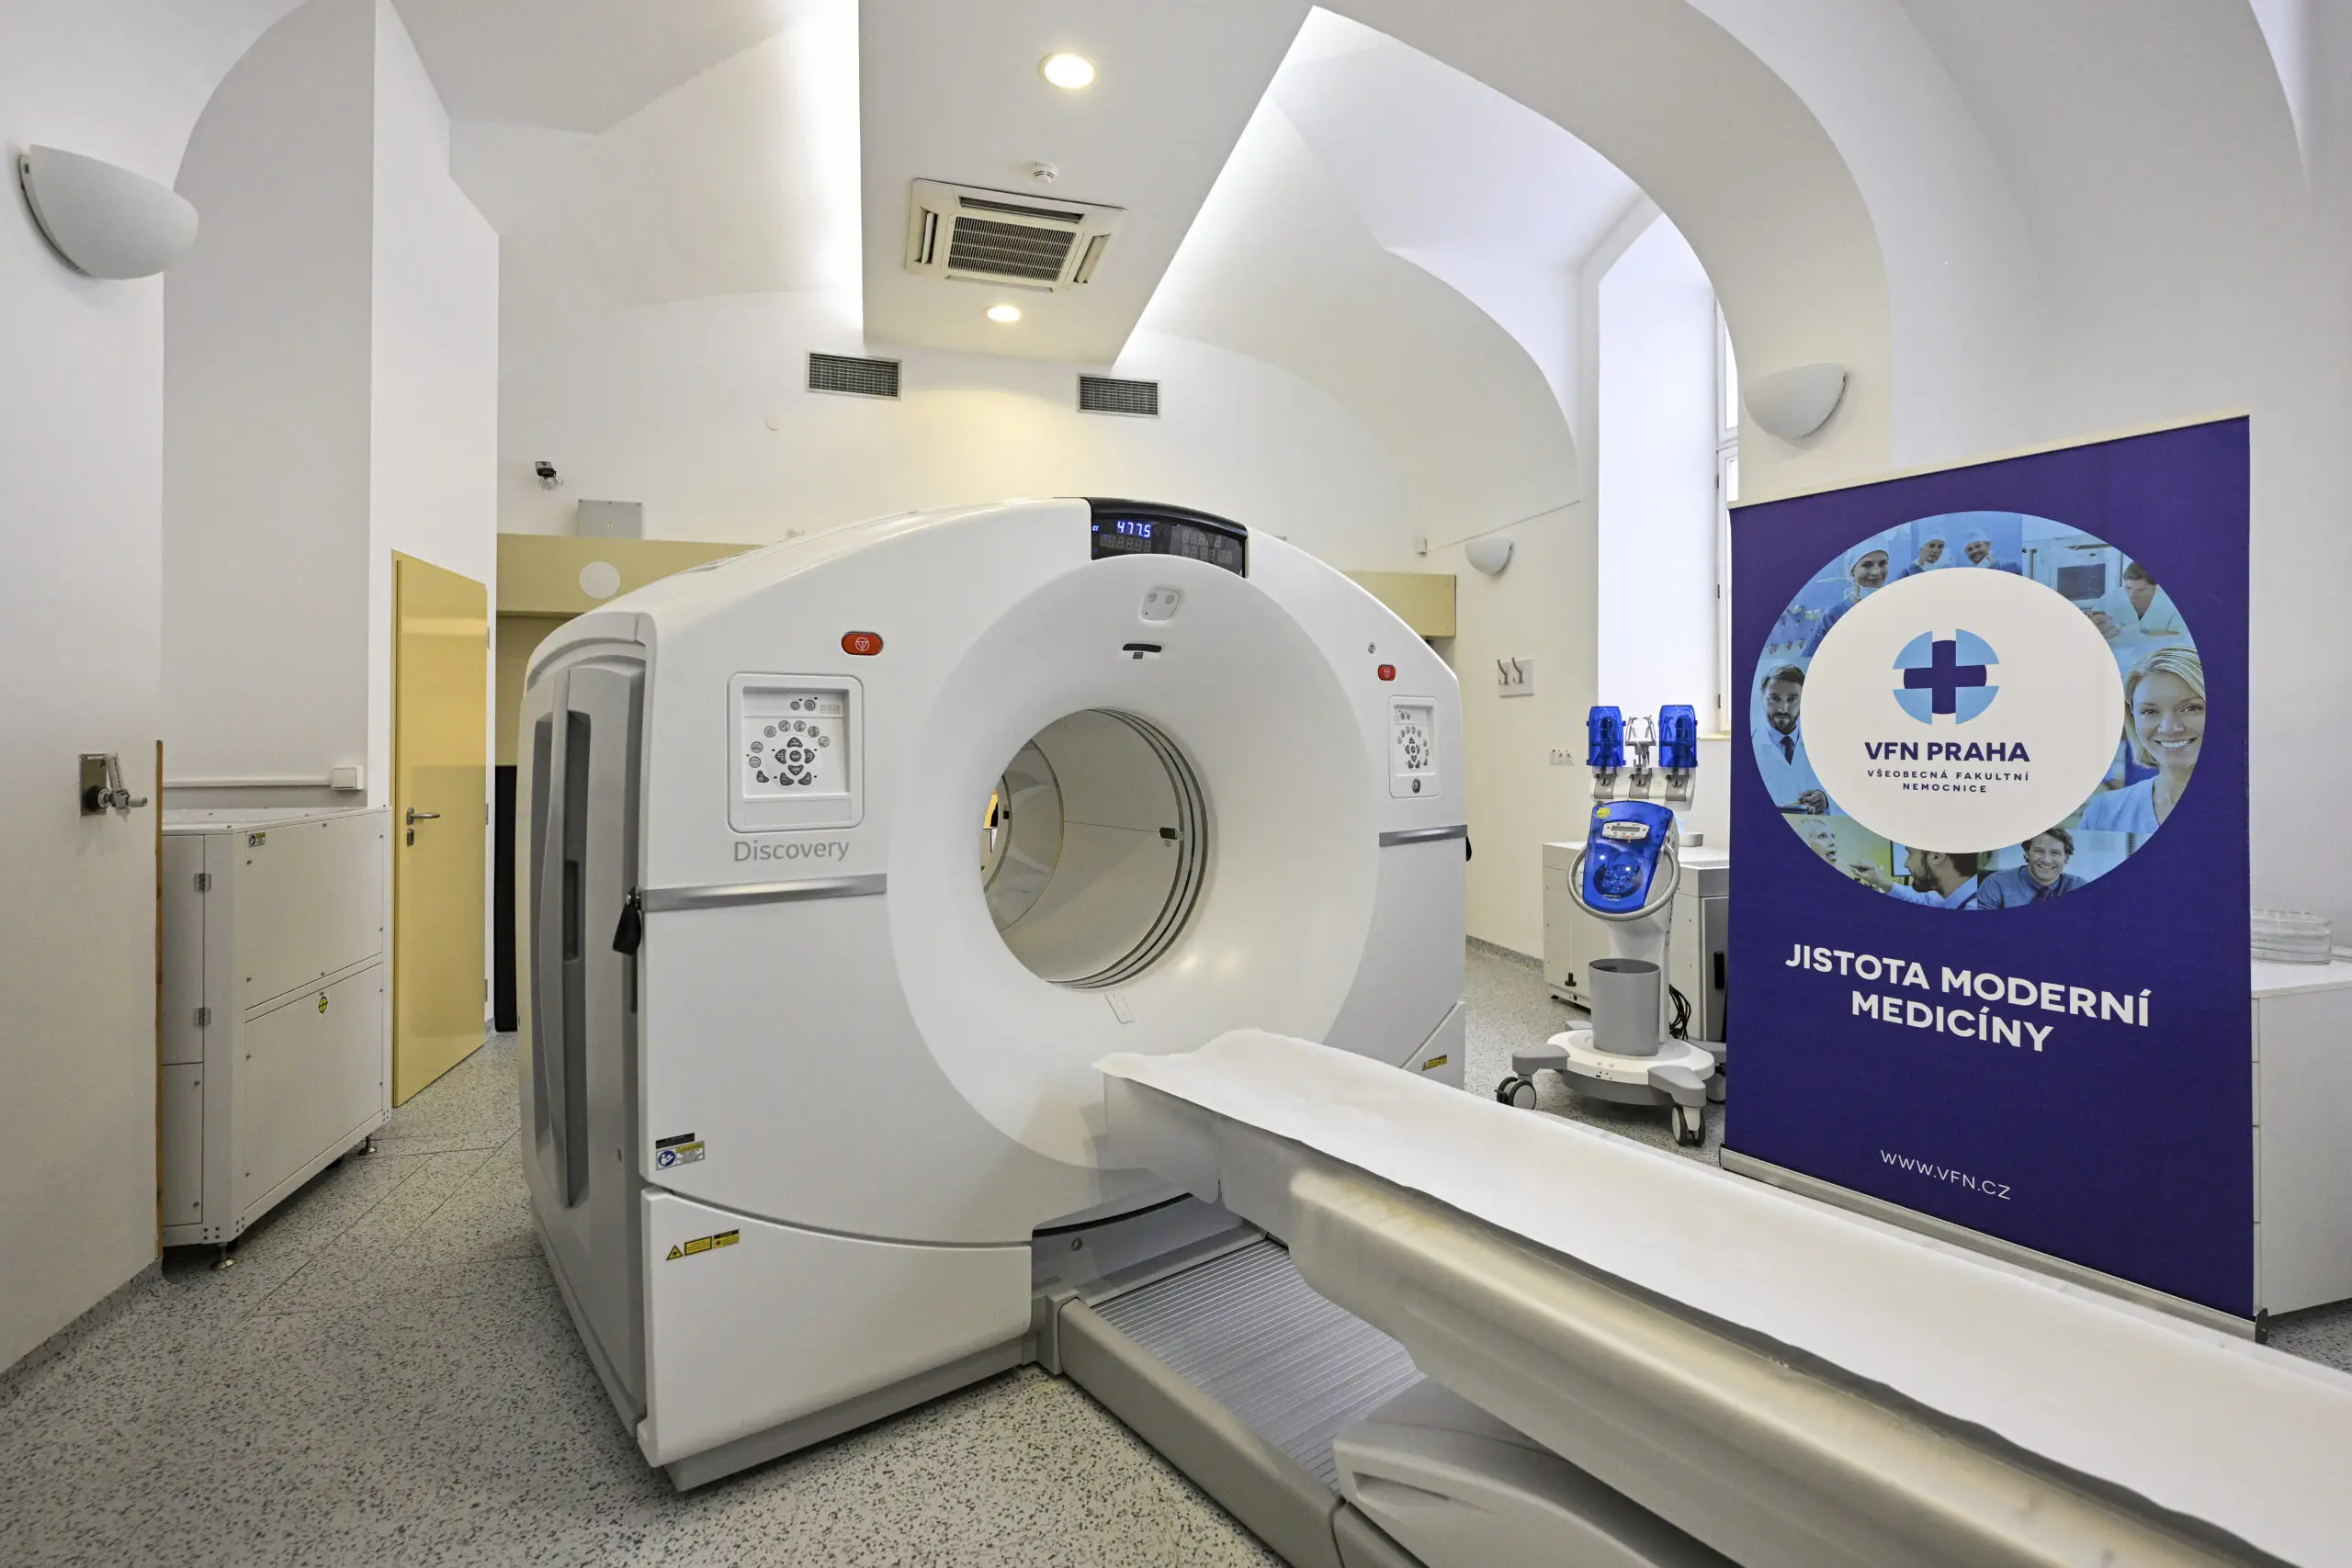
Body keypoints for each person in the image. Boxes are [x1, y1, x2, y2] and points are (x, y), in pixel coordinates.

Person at [2080, 646, 2204, 832]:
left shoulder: (2247, 808)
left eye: (2191, 708)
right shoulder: (2103, 815)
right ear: (2133, 716)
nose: (2169, 728)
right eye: (2150, 711)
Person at [1753, 664, 1829, 813]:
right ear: (1762, 697)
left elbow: (1844, 791)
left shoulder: (1821, 744)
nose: (1783, 709)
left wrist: (1824, 800)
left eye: (1792, 699)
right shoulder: (1750, 746)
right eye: (1775, 698)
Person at [1805, 543, 1891, 653]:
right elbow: (1810, 658)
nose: (1876, 572)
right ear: (1851, 570)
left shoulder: (1896, 610)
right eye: (1867, 565)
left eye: (1882, 563)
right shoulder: (1834, 616)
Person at [1972, 828, 2086, 907]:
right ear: (2027, 853)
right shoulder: (1996, 884)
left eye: (2055, 853)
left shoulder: (2081, 888)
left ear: (2066, 858)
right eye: (2039, 851)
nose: (2046, 860)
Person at [2086, 560, 2188, 644]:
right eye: (2128, 588)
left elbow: (2181, 635)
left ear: (2155, 587)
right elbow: (2092, 620)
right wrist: (2099, 623)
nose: (2132, 595)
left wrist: (2140, 634)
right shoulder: (2113, 597)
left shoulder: (2171, 603)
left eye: (2141, 590)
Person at [1853, 845, 1983, 908]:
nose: (1905, 864)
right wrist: (1877, 880)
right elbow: (1926, 899)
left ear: (1936, 857)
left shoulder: (1973, 908)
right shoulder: (1958, 894)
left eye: (1910, 854)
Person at [1957, 528, 2022, 574]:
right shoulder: (1966, 576)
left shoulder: (2011, 568)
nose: (1974, 551)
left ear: (1988, 545)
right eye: (1969, 549)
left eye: (1978, 546)